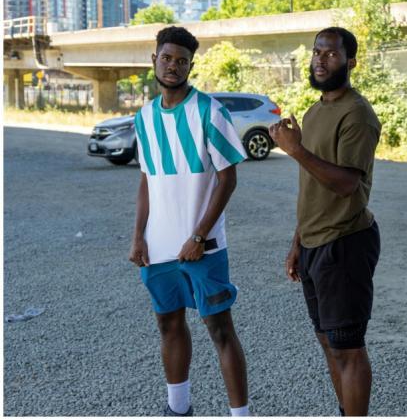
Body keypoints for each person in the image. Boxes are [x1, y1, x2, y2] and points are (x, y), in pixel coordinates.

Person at [128, 26, 250, 417]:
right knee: (168, 325)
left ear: (190, 66)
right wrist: (138, 237)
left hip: (204, 247)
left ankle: (242, 415)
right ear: (154, 60)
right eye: (167, 58)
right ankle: (177, 408)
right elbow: (147, 180)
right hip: (159, 246)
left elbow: (228, 178)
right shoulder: (143, 118)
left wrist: (199, 234)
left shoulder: (210, 111)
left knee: (220, 331)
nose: (173, 66)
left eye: (182, 61)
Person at [270, 27, 382, 417]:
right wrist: (297, 241)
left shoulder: (358, 114)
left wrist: (296, 150)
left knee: (348, 349)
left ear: (350, 62)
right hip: (315, 244)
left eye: (331, 54)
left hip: (345, 243)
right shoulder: (316, 110)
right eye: (317, 52)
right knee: (328, 342)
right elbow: (313, 185)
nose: (320, 60)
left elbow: (348, 184)